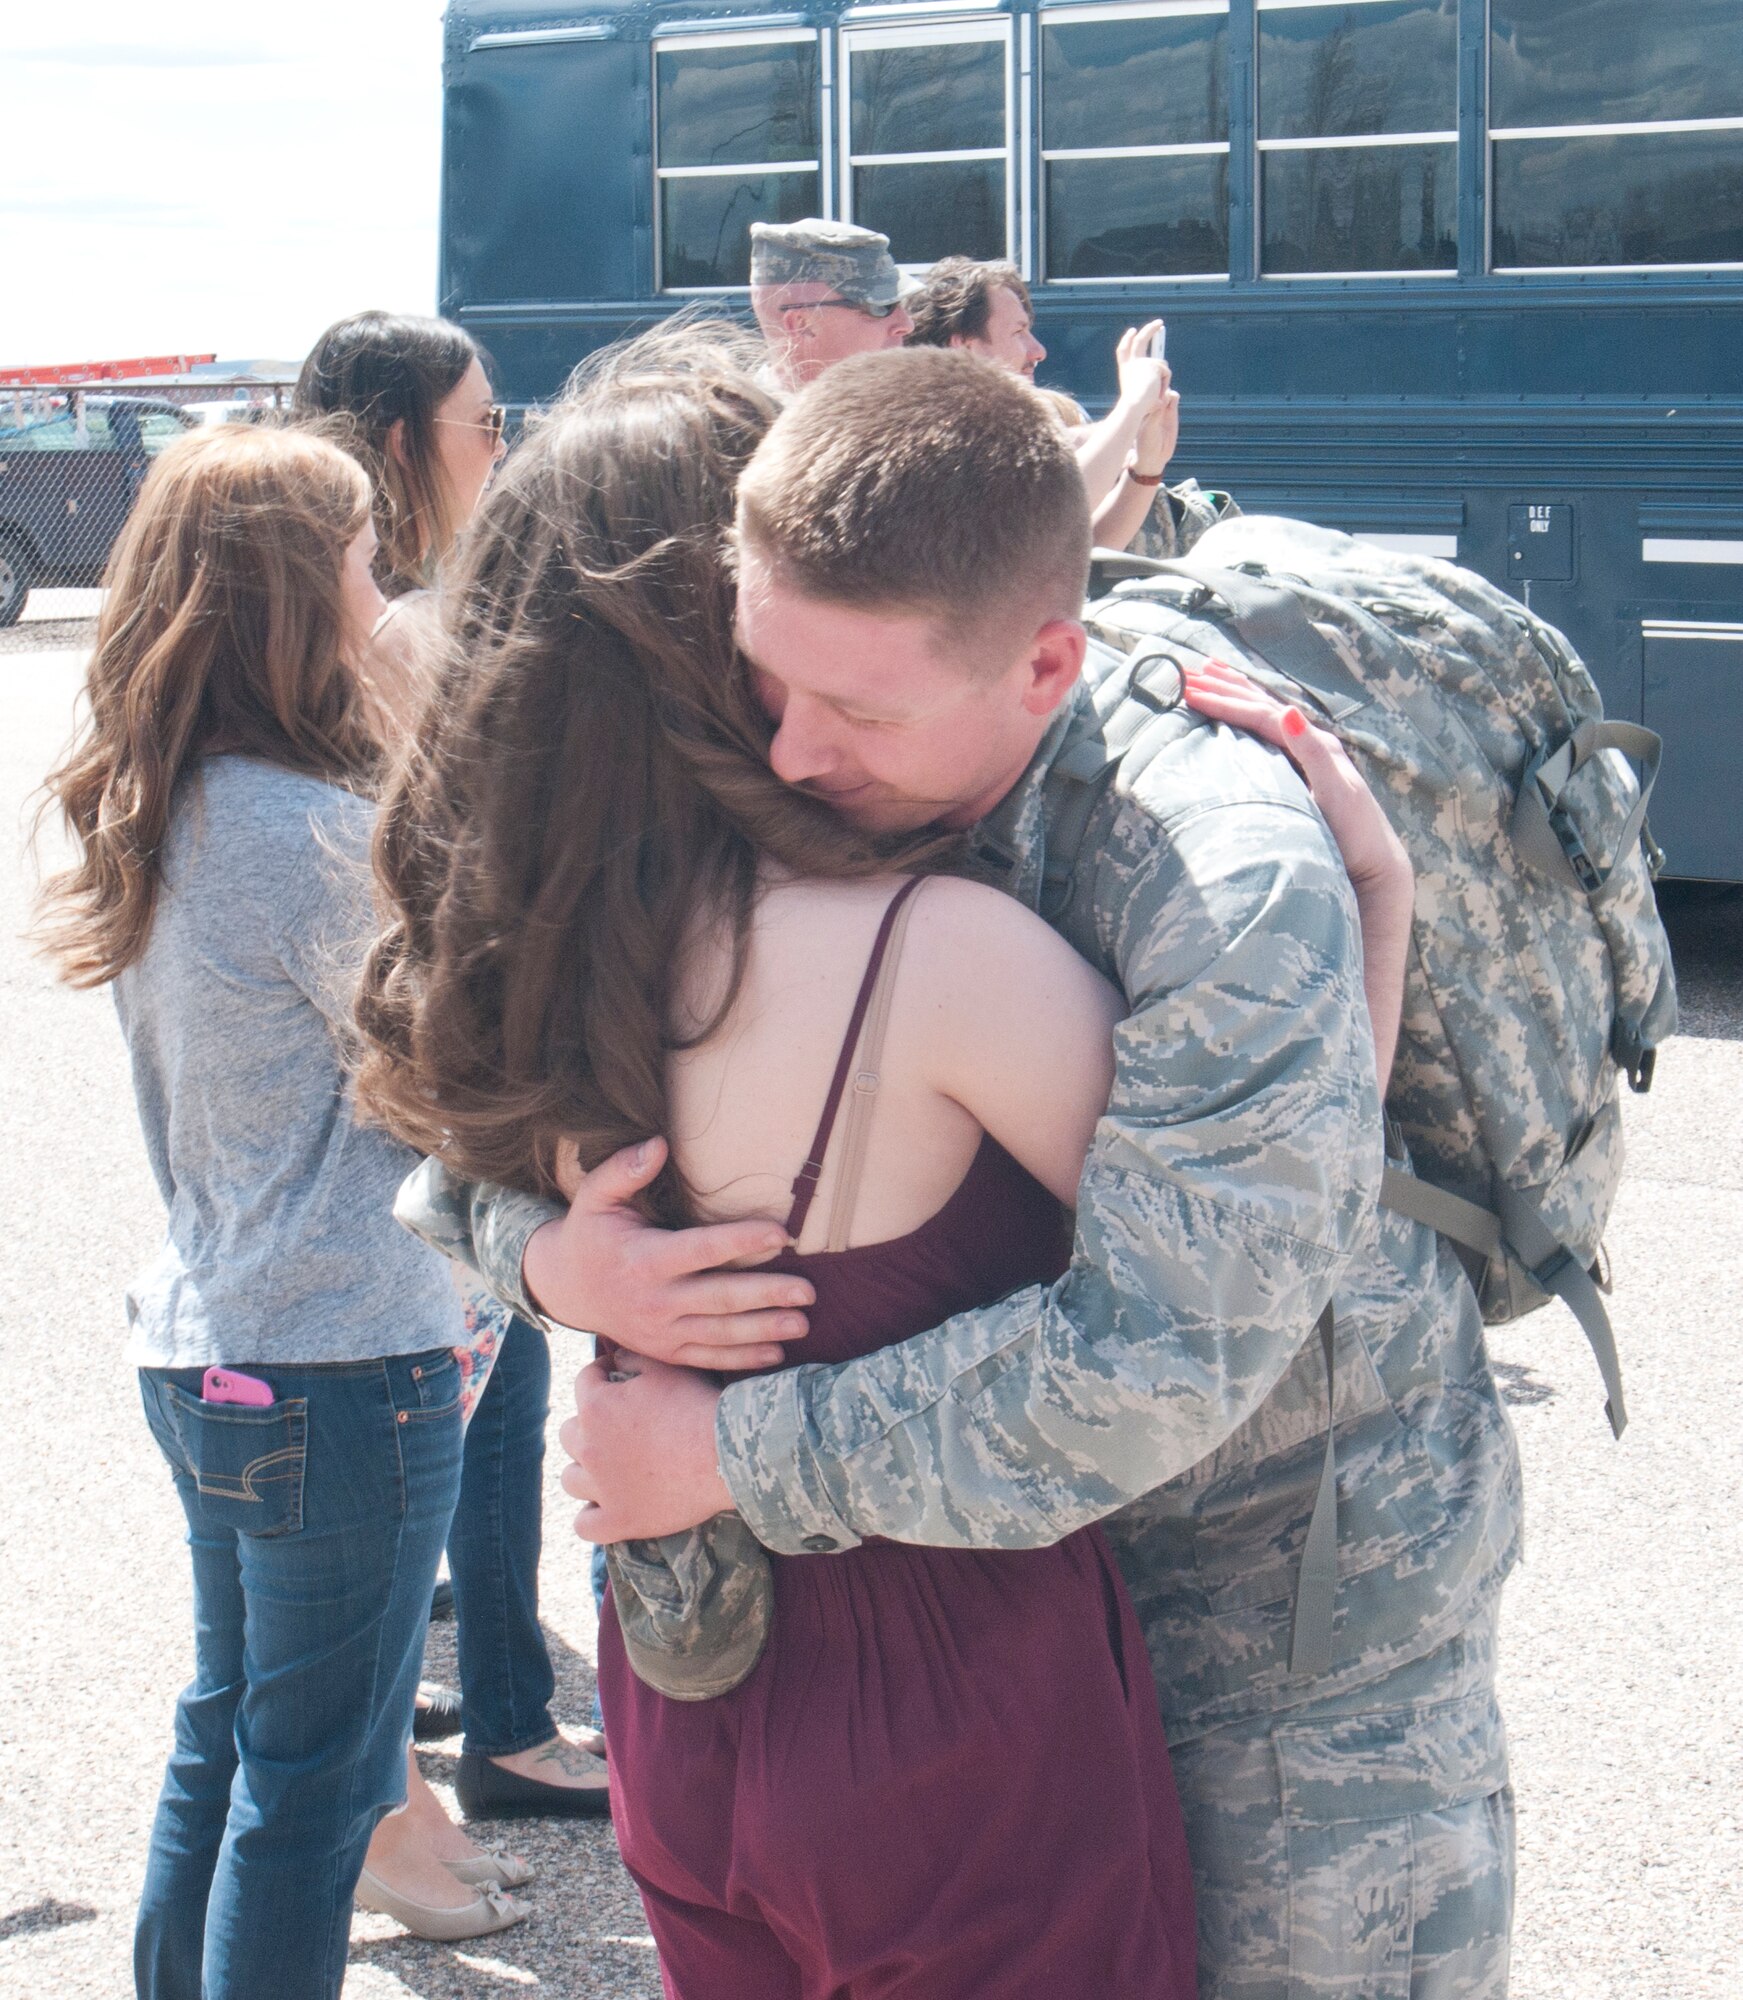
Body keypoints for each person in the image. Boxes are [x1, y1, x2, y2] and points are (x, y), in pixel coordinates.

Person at [425, 345, 1521, 2000]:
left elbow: (1194, 1327)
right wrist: (543, 1258)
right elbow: (448, 1153)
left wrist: (714, 1442)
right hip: (964, 1676)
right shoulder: (773, 886)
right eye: (765, 682)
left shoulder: (1197, 871)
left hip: (1287, 1634)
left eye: (848, 706)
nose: (796, 752)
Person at [35, 425, 527, 1998]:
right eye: (365, 569)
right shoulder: (311, 834)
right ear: (287, 601)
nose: (384, 600)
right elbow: (474, 1054)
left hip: (212, 1338)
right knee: (314, 1793)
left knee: (230, 1741)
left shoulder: (170, 807)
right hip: (343, 1363)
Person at [295, 311, 608, 1819]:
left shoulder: (302, 613)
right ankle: (507, 1726)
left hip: (352, 1097)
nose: (505, 446)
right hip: (420, 1084)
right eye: (486, 423)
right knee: (499, 1373)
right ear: (405, 437)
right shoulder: (403, 624)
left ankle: (437, 1712)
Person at [904, 253, 1232, 557]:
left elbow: (1081, 555)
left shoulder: (996, 431)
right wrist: (1131, 406)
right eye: (1018, 332)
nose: (1038, 351)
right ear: (964, 345)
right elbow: (1050, 514)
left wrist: (1146, 467)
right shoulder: (926, 437)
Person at [748, 219, 914, 391]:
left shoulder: (897, 409)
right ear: (802, 325)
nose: (907, 325)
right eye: (881, 307)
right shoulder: (748, 416)